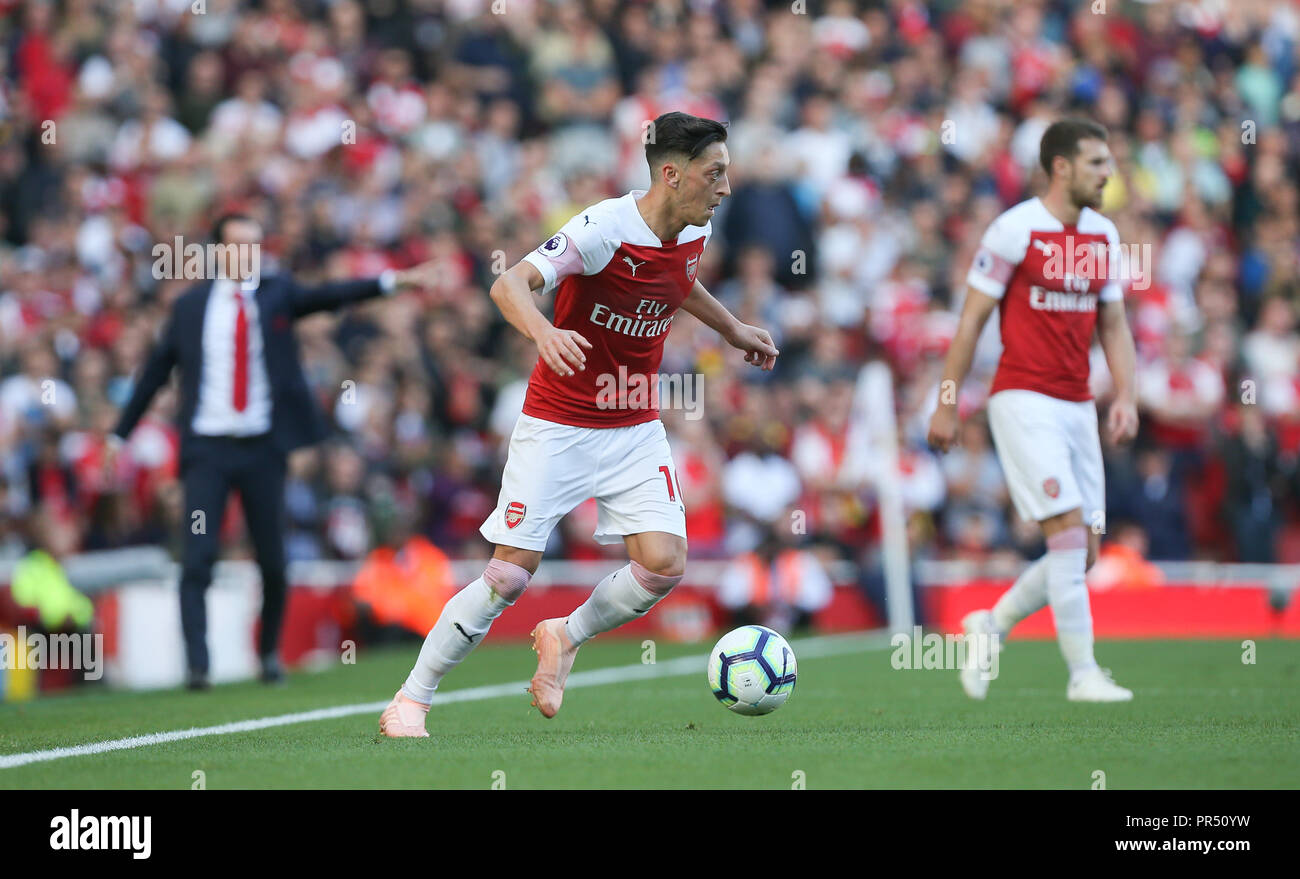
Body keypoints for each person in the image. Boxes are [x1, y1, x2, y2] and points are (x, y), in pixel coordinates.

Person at [380, 111, 780, 736]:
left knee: (665, 564)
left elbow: (679, 282)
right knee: (510, 573)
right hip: (559, 422)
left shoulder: (693, 230)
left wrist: (731, 329)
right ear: (672, 175)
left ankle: (565, 637)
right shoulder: (603, 227)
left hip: (634, 424)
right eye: (715, 173)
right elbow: (508, 284)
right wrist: (544, 331)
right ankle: (411, 700)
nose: (726, 187)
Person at [107, 213, 435, 689]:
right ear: (217, 251)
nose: (248, 254)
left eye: (255, 245)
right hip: (207, 448)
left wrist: (390, 282)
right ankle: (198, 665)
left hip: (262, 448)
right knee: (198, 556)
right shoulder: (190, 308)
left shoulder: (276, 293)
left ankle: (267, 656)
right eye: (238, 245)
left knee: (273, 561)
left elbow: (329, 295)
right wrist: (119, 435)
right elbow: (157, 371)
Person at [927, 118, 1140, 703]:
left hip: (1078, 404)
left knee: (1085, 552)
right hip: (1022, 397)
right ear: (1063, 167)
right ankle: (1083, 675)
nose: (1108, 173)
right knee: (1068, 534)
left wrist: (1125, 394)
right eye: (1098, 163)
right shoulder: (1014, 230)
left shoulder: (1104, 235)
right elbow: (969, 321)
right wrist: (948, 404)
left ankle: (990, 625)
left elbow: (1114, 323)